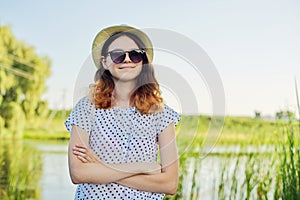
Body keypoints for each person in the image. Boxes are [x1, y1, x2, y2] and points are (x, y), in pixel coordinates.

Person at [65, 25, 180, 200]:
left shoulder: (161, 113)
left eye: (135, 54)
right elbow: (78, 173)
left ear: (143, 61)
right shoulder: (87, 107)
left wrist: (100, 167)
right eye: (118, 55)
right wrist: (141, 167)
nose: (127, 60)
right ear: (105, 62)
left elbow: (170, 184)